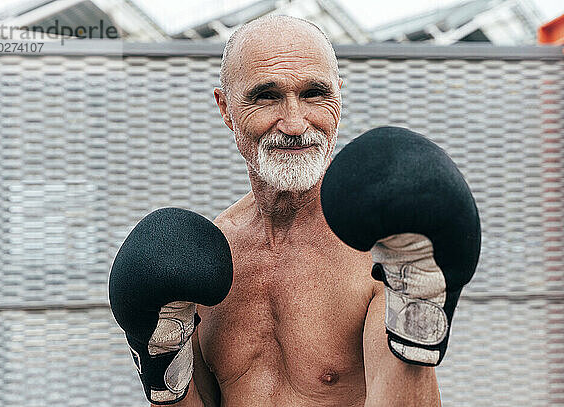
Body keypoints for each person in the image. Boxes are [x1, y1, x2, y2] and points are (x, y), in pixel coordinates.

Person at [110, 14, 480, 407]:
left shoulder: (377, 254)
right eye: (266, 96)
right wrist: (162, 372)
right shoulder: (203, 264)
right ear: (225, 109)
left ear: (340, 96)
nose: (294, 122)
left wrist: (417, 308)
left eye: (314, 94)